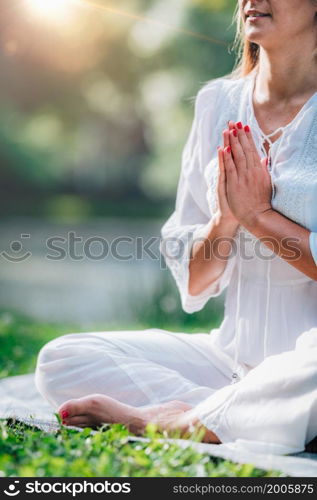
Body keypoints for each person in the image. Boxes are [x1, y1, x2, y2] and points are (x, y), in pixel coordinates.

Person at [35, 0, 317, 454]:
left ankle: (195, 421)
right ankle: (249, 416)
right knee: (62, 358)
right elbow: (195, 278)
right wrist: (226, 221)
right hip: (230, 361)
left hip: (310, 365)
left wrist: (258, 217)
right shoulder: (217, 103)